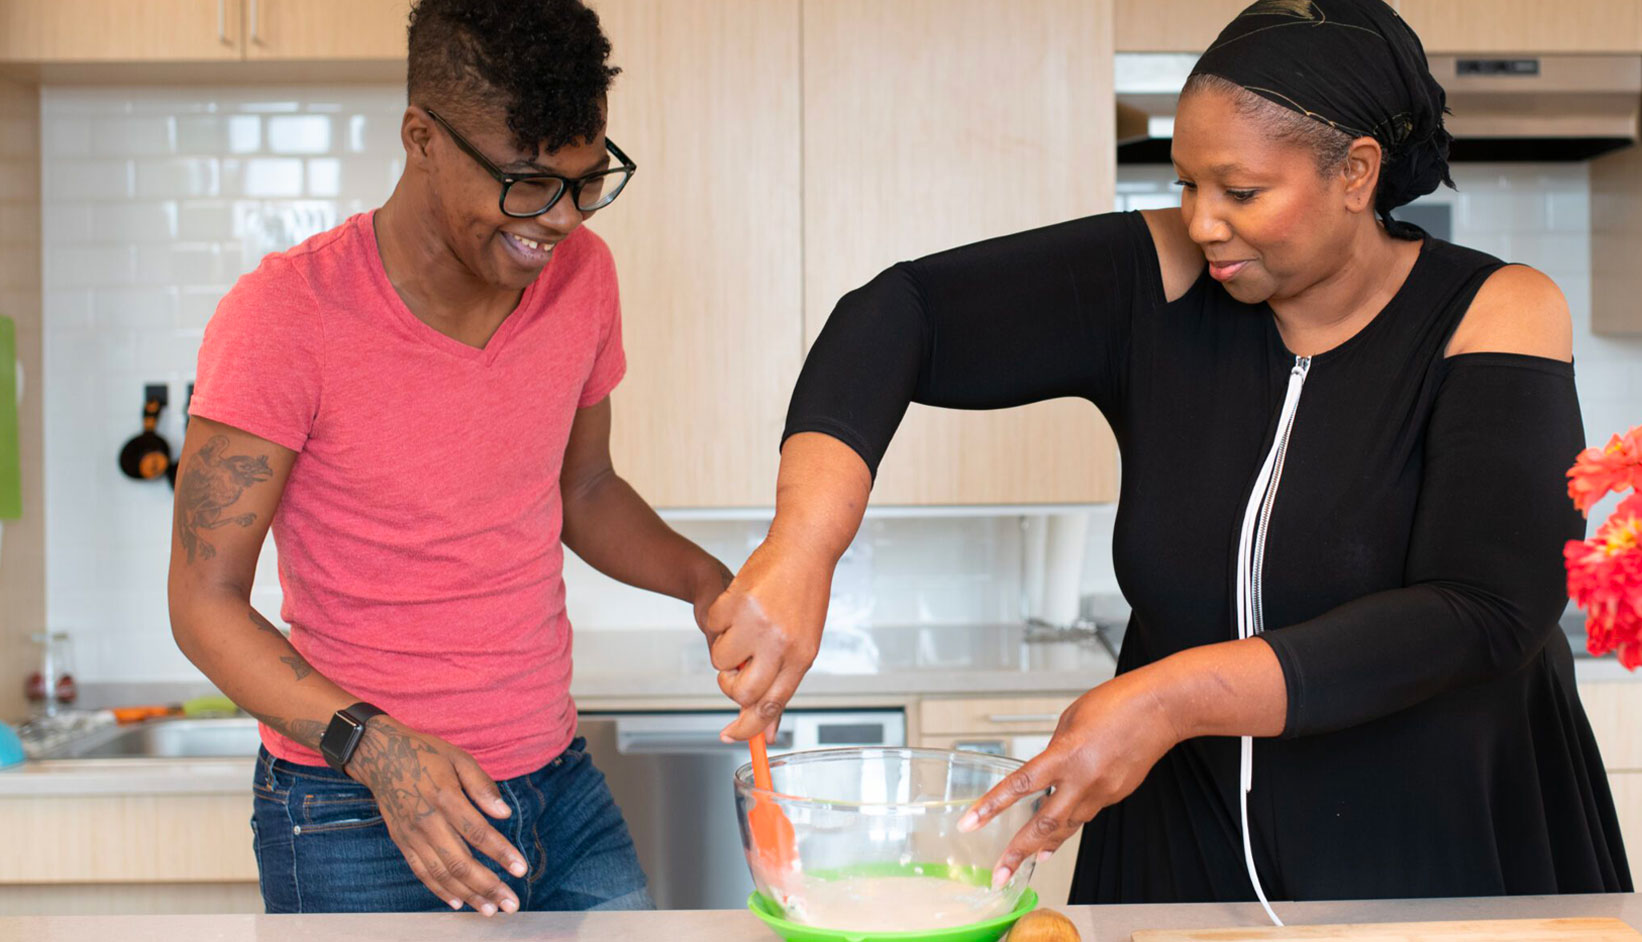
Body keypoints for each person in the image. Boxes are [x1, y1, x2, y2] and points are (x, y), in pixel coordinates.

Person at [703, 0, 1632, 914]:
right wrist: (804, 545)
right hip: (1181, 849)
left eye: (1240, 192)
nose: (1201, 222)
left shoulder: (1498, 310)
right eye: (1186, 183)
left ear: (1356, 172)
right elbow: (896, 316)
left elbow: (1484, 611)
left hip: (1440, 849)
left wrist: (1171, 699)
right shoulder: (1162, 282)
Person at [167, 0, 732, 916]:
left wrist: (709, 584)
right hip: (355, 814)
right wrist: (379, 751)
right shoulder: (286, 317)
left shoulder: (584, 278)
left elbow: (585, 488)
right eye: (527, 182)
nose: (560, 220)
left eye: (587, 181)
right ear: (422, 138)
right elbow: (203, 602)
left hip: (559, 785)